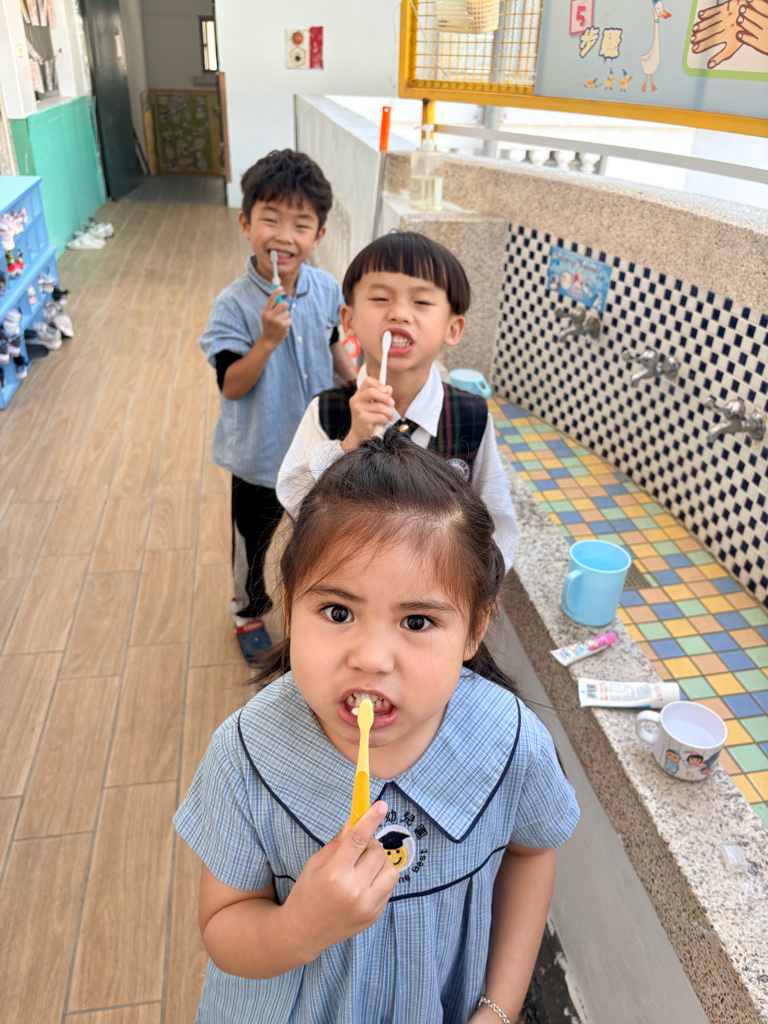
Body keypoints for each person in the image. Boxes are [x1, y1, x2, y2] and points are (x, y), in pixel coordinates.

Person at [175, 429, 579, 1024]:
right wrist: (300, 927)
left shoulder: (510, 742)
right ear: (290, 606)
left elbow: (531, 852)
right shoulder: (246, 753)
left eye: (416, 622)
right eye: (337, 612)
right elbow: (222, 923)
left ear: (474, 629)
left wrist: (498, 1010)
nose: (370, 658)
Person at [277, 231, 519, 572]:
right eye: (380, 298)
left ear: (452, 328)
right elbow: (293, 500)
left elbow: (498, 521)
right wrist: (351, 444)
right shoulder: (327, 410)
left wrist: (482, 587)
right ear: (348, 320)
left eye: (422, 302)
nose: (400, 313)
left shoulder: (471, 418)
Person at [199, 148, 357, 662]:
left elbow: (333, 342)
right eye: (270, 219)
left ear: (319, 235)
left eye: (301, 224)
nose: (284, 236)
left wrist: (356, 382)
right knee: (255, 540)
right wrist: (267, 340)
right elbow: (232, 386)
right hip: (260, 456)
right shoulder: (233, 304)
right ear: (246, 223)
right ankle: (248, 611)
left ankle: (314, 605)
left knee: (314, 533)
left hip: (318, 449)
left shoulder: (325, 287)